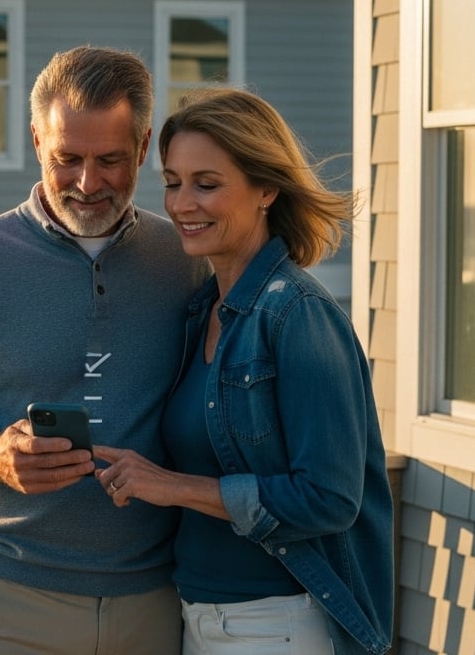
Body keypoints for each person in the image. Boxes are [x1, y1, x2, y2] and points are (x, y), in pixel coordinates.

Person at [0, 45, 210, 654]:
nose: (88, 184)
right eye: (68, 159)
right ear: (37, 141)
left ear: (144, 150)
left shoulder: (186, 261)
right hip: (8, 595)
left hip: (157, 598)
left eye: (111, 160)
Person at [93, 87, 394, 655]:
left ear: (266, 189)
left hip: (279, 624)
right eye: (173, 182)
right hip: (198, 617)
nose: (182, 204)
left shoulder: (297, 315)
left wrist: (173, 487)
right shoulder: (200, 311)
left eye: (207, 184)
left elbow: (330, 497)